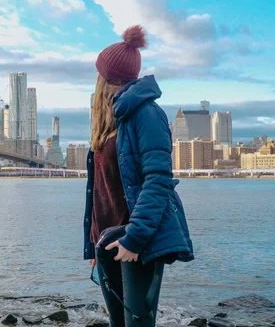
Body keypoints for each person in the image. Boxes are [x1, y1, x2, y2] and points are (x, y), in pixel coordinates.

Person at [83, 25, 194, 327]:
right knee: (117, 322)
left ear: (107, 78)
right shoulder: (109, 122)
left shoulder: (146, 114)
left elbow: (158, 181)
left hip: (137, 239)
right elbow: (99, 191)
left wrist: (134, 239)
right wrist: (92, 244)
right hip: (108, 240)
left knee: (138, 324)